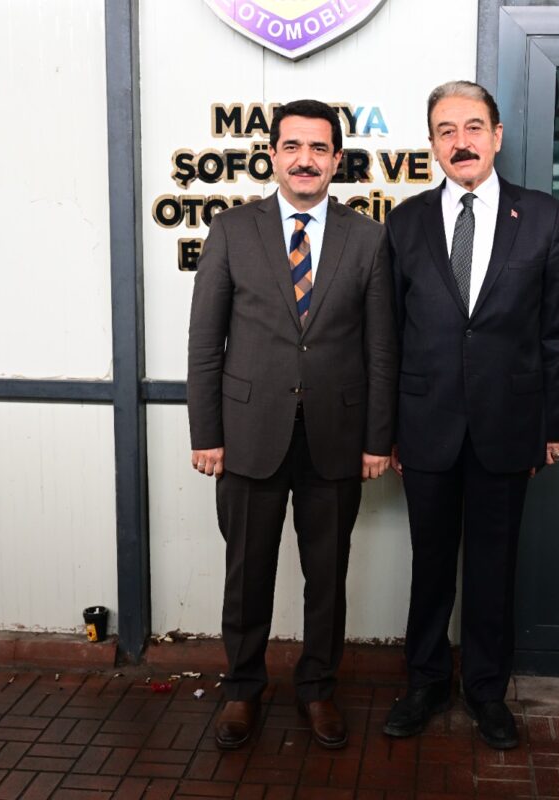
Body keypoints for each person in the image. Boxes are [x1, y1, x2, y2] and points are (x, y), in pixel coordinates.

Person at [187, 99, 397, 751]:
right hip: (249, 435)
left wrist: (377, 439)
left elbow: (381, 348)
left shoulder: (368, 238)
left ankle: (317, 689)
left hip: (336, 437)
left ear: (337, 159)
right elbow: (205, 342)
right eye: (292, 147)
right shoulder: (231, 230)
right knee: (246, 574)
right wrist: (206, 433)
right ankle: (242, 689)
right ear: (273, 155)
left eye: (318, 148)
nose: (305, 159)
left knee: (326, 578)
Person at [382, 81, 559, 750]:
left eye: (472, 127)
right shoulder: (404, 222)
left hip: (509, 424)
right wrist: (387, 432)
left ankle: (487, 692)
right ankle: (426, 683)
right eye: (445, 130)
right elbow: (388, 335)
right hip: (425, 424)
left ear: (496, 136)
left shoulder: (542, 216)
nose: (459, 142)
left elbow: (558, 330)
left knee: (493, 569)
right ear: (431, 143)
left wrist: (553, 424)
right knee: (430, 564)